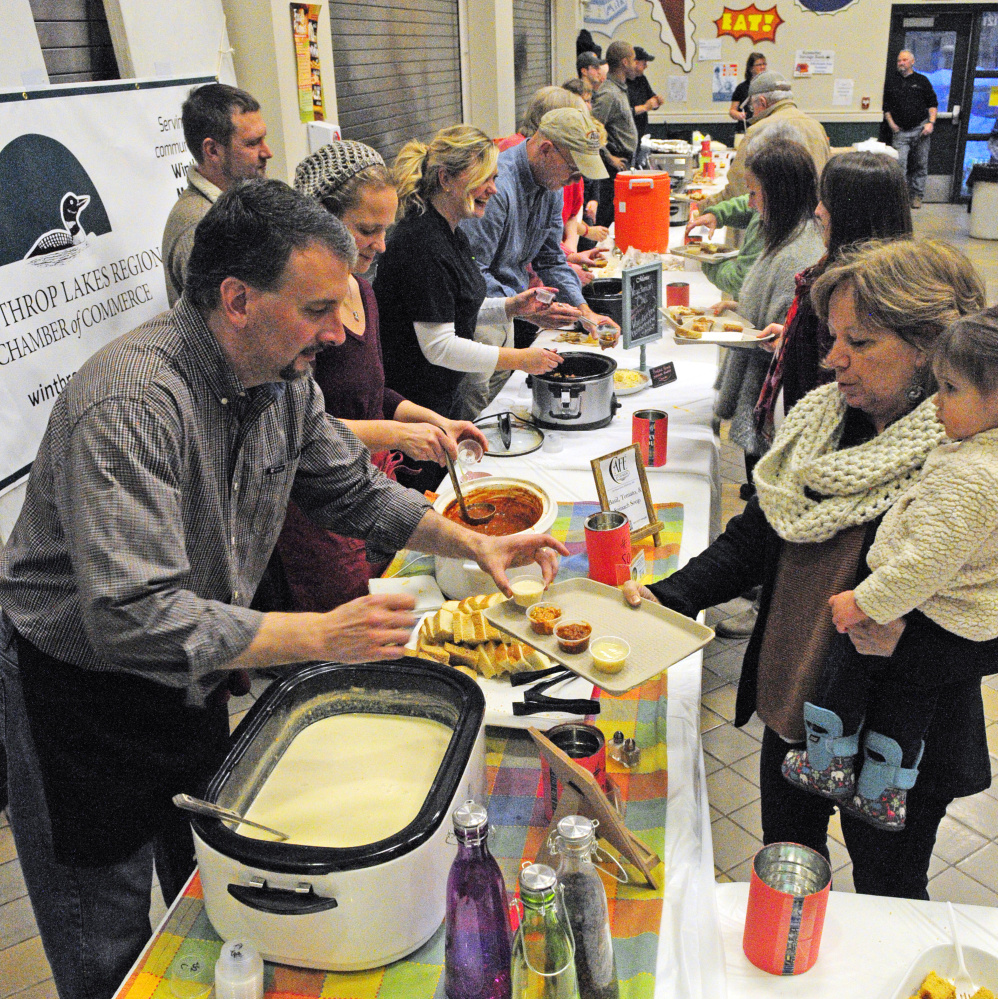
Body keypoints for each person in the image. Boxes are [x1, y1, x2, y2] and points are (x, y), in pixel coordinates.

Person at [0, 179, 570, 999]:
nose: (338, 333)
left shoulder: (283, 382)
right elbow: (132, 615)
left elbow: (356, 492)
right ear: (236, 298)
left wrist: (470, 539)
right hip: (79, 701)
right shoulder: (131, 404)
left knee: (202, 886)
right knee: (107, 944)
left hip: (188, 680)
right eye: (316, 310)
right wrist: (315, 636)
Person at [623, 238, 989, 900]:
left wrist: (913, 644)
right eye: (833, 336)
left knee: (888, 890)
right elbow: (757, 539)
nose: (832, 359)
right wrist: (659, 598)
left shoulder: (971, 468)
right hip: (798, 702)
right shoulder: (825, 423)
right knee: (788, 871)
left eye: (861, 342)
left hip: (898, 744)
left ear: (929, 347)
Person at [783, 307, 998, 831]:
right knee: (905, 709)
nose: (937, 403)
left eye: (948, 389)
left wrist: (865, 602)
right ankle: (881, 794)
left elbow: (924, 562)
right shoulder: (974, 450)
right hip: (948, 618)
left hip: (932, 615)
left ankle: (829, 764)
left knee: (848, 668)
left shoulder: (971, 474)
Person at [273, 139, 488, 610]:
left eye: (386, 229)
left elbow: (372, 392)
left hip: (367, 487)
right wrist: (399, 434)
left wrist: (431, 420)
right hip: (318, 507)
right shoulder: (301, 317)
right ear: (319, 222)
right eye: (367, 229)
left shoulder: (363, 292)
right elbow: (297, 430)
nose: (382, 245)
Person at [373, 124, 573, 485]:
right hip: (412, 406)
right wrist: (520, 360)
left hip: (439, 401)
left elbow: (452, 308)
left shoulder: (451, 233)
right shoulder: (421, 245)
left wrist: (510, 307)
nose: (493, 189)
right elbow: (439, 346)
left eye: (495, 178)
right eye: (484, 179)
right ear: (447, 178)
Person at [458, 108, 618, 419]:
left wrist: (585, 312)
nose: (574, 181)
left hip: (510, 314)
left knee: (499, 404)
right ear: (545, 149)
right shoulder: (498, 188)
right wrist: (522, 309)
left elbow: (551, 259)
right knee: (474, 413)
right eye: (573, 171)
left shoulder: (550, 186)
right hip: (479, 320)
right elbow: (473, 277)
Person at [755, 150, 913, 433]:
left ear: (855, 213)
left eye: (828, 201)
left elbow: (835, 380)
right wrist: (792, 337)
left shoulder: (854, 292)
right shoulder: (837, 270)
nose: (817, 210)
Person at [712, 137, 825, 505]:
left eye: (755, 194)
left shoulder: (800, 250)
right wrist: (735, 308)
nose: (749, 203)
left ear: (779, 194)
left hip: (770, 400)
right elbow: (764, 301)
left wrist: (731, 329)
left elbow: (779, 336)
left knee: (764, 492)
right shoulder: (780, 236)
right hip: (759, 394)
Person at [161, 83, 272, 305]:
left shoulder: (239, 205)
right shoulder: (198, 226)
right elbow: (234, 323)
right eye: (252, 143)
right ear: (212, 150)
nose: (267, 152)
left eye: (263, 139)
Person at [703, 70, 830, 210]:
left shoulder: (758, 130)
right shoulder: (817, 127)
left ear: (762, 102)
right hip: (812, 217)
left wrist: (704, 207)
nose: (753, 112)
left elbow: (738, 187)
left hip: (772, 223)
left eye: (752, 107)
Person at [591, 40, 639, 226]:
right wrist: (609, 158)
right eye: (634, 60)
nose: (636, 65)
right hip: (613, 166)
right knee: (606, 216)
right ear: (625, 62)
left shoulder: (619, 90)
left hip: (623, 162)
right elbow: (592, 129)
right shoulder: (609, 93)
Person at [882, 50, 938, 209]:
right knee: (899, 165)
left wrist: (931, 123)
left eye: (905, 60)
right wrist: (891, 123)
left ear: (912, 62)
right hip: (900, 132)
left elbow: (933, 104)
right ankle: (899, 198)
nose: (901, 63)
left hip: (921, 129)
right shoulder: (892, 81)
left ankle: (917, 197)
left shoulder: (922, 81)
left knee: (920, 164)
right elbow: (886, 106)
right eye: (899, 60)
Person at [627, 46, 663, 167]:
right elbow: (625, 112)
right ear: (635, 63)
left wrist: (656, 101)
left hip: (640, 133)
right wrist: (645, 107)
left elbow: (651, 98)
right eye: (644, 63)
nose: (646, 66)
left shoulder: (642, 79)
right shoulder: (623, 83)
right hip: (627, 136)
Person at [729, 53, 767, 124]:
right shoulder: (741, 87)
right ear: (751, 68)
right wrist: (739, 115)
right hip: (745, 127)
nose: (762, 67)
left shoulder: (769, 86)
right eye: (759, 65)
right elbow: (732, 111)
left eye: (764, 64)